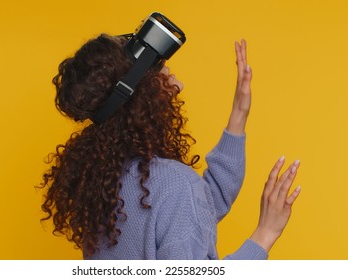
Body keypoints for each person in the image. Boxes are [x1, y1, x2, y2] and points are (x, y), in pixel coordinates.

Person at [39, 33, 301, 260]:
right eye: (159, 69)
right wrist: (264, 235)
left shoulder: (102, 182)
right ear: (146, 93)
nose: (174, 80)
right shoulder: (174, 185)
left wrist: (239, 114)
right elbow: (184, 200)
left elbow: (199, 207)